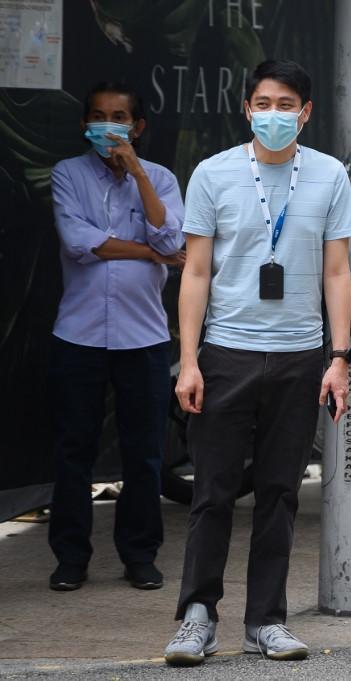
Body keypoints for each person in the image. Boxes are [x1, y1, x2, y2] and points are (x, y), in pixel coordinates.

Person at [164, 60, 351, 666]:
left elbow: (337, 271)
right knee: (213, 492)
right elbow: (195, 272)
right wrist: (189, 361)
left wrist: (339, 357)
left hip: (302, 357)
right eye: (263, 103)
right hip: (226, 353)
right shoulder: (213, 173)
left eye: (287, 104)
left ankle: (266, 621)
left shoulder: (328, 175)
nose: (274, 114)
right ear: (247, 109)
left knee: (280, 493)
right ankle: (197, 616)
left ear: (306, 112)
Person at [47, 81, 185, 592]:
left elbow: (173, 236)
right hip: (77, 335)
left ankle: (139, 555)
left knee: (144, 453)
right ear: (86, 124)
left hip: (142, 338)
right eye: (100, 117)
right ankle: (69, 558)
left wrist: (139, 176)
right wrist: (151, 253)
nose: (109, 126)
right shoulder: (67, 174)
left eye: (120, 117)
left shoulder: (163, 179)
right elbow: (81, 242)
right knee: (73, 450)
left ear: (137, 127)